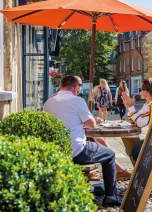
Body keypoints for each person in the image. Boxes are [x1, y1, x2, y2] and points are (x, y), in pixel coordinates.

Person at [43, 76, 121, 207]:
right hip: (76, 151)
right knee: (109, 155)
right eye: (79, 88)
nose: (79, 91)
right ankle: (111, 196)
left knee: (97, 147)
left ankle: (88, 187)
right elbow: (91, 124)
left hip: (56, 150)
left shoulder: (48, 103)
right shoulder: (77, 100)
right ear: (74, 88)